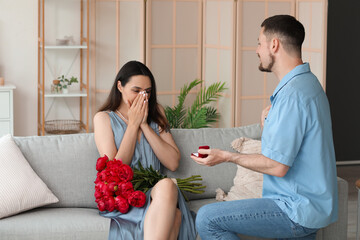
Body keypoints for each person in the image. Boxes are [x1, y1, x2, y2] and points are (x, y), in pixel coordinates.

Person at [191, 15, 338, 239]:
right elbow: (296, 147)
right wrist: (268, 126)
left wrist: (226, 156)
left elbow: (278, 167)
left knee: (207, 218)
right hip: (311, 206)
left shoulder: (292, 96)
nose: (257, 50)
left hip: (295, 209)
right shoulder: (309, 84)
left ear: (274, 44)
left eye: (259, 42)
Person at [93, 60, 196, 240]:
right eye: (136, 91)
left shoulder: (156, 112)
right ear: (120, 86)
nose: (143, 97)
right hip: (126, 198)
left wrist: (145, 125)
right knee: (176, 218)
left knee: (167, 185)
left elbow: (173, 163)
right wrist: (133, 125)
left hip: (160, 195)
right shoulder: (103, 119)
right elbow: (114, 172)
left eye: (147, 92)